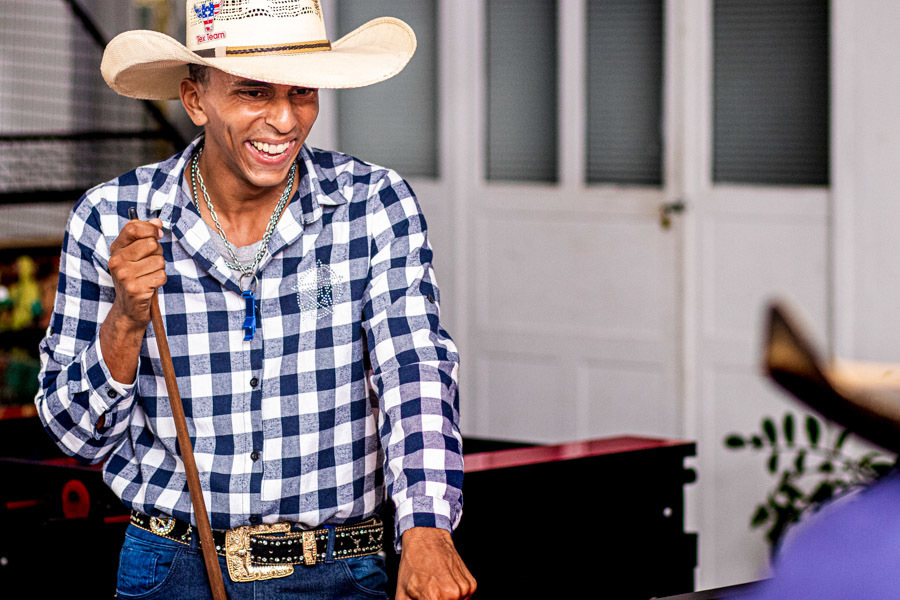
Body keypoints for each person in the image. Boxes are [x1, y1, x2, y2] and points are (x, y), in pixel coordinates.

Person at [34, 2, 475, 599]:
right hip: (172, 570)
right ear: (195, 100)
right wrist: (125, 320)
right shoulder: (112, 217)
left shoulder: (373, 204)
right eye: (253, 93)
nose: (284, 120)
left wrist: (427, 527)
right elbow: (75, 437)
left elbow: (413, 369)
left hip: (341, 571)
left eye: (302, 93)